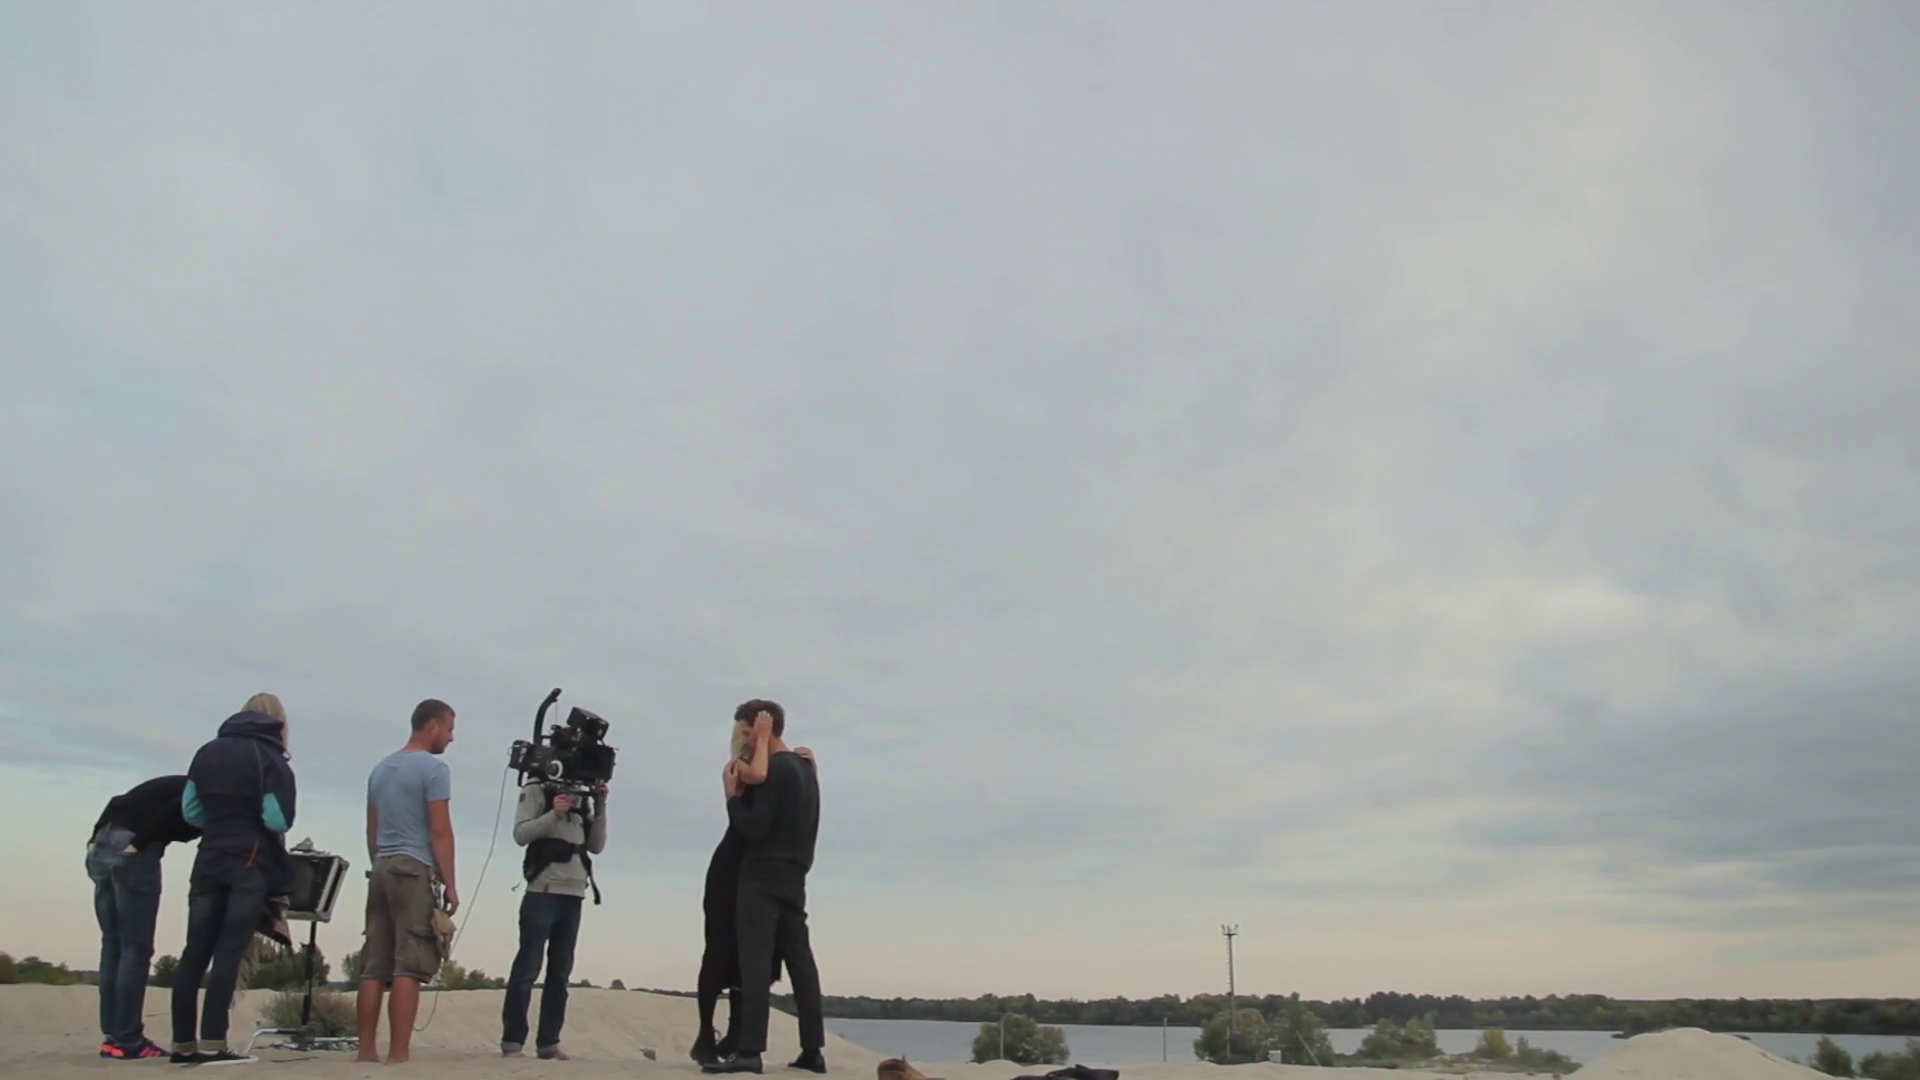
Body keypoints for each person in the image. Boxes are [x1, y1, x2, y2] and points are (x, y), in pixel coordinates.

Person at [170, 693, 297, 1065]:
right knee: (227, 952)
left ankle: (182, 1044)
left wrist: (221, 820)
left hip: (208, 859)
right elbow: (278, 819)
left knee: (194, 952)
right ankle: (213, 1041)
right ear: (278, 721)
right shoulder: (270, 757)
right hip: (249, 861)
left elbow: (191, 811)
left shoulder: (207, 752)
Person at [704, 700, 825, 1075]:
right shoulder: (807, 769)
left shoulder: (776, 770)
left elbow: (754, 828)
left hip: (762, 875)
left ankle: (750, 1050)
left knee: (754, 960)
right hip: (796, 875)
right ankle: (813, 1050)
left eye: (746, 732)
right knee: (801, 962)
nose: (744, 740)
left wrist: (732, 799)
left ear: (760, 728)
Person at [357, 698, 459, 1065]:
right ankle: (399, 1054)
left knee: (374, 964)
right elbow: (440, 830)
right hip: (413, 868)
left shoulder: (380, 769)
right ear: (432, 726)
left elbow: (371, 829)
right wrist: (450, 882)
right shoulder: (434, 769)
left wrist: (378, 862)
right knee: (410, 963)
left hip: (381, 866)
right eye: (449, 729)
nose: (451, 738)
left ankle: (366, 1051)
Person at [87, 773, 202, 1060]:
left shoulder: (175, 784)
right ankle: (128, 1039)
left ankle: (113, 1036)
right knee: (135, 948)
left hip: (103, 844)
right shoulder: (205, 790)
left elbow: (117, 801)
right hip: (131, 849)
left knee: (113, 944)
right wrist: (140, 843)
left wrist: (94, 837)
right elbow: (171, 812)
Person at [499, 775, 610, 1059]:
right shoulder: (537, 789)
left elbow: (596, 845)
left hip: (574, 894)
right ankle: (513, 1041)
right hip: (542, 891)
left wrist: (600, 805)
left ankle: (549, 1043)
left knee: (560, 972)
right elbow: (521, 834)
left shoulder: (582, 795)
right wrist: (554, 814)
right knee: (527, 968)